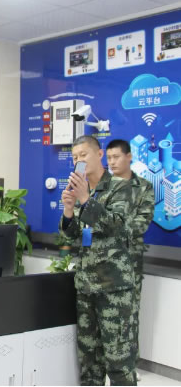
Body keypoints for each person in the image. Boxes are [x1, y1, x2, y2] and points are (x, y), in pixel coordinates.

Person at [58, 135, 137, 386]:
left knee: (119, 361)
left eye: (83, 155)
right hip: (86, 287)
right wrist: (68, 211)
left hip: (114, 289)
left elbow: (118, 226)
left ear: (99, 154)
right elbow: (73, 236)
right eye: (75, 157)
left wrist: (85, 201)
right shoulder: (83, 190)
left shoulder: (120, 187)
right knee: (89, 361)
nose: (78, 161)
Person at [106, 139, 154, 381]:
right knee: (104, 315)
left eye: (116, 157)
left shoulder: (143, 187)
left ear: (129, 157)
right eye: (108, 158)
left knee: (129, 314)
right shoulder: (103, 186)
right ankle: (107, 364)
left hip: (129, 260)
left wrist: (111, 229)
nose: (112, 162)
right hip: (102, 261)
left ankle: (129, 366)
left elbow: (142, 222)